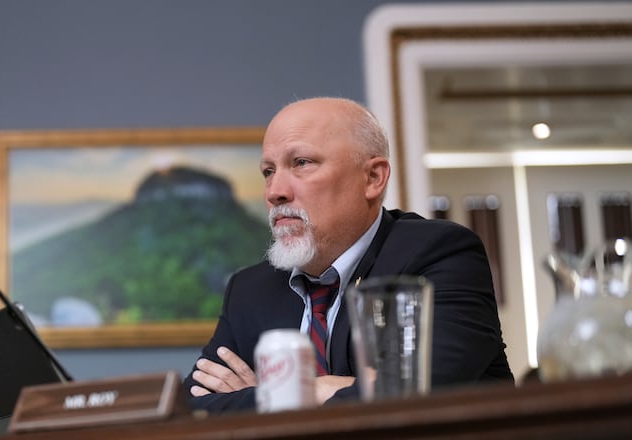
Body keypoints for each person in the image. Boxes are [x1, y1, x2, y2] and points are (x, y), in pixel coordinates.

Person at [182, 96, 514, 413]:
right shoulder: (250, 289)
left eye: (301, 163)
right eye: (268, 171)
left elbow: (420, 392)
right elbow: (190, 408)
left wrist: (270, 396)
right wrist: (323, 389)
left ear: (373, 178)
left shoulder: (440, 253)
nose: (274, 192)